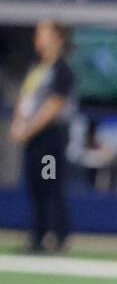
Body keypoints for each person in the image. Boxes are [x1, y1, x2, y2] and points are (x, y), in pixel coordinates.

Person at [10, 21, 75, 253]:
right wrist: (18, 122)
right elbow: (26, 97)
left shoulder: (62, 70)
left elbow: (53, 105)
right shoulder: (36, 68)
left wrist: (28, 128)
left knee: (50, 184)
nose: (38, 39)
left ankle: (56, 235)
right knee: (35, 185)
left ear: (57, 38)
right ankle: (38, 236)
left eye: (43, 33)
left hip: (50, 139)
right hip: (34, 140)